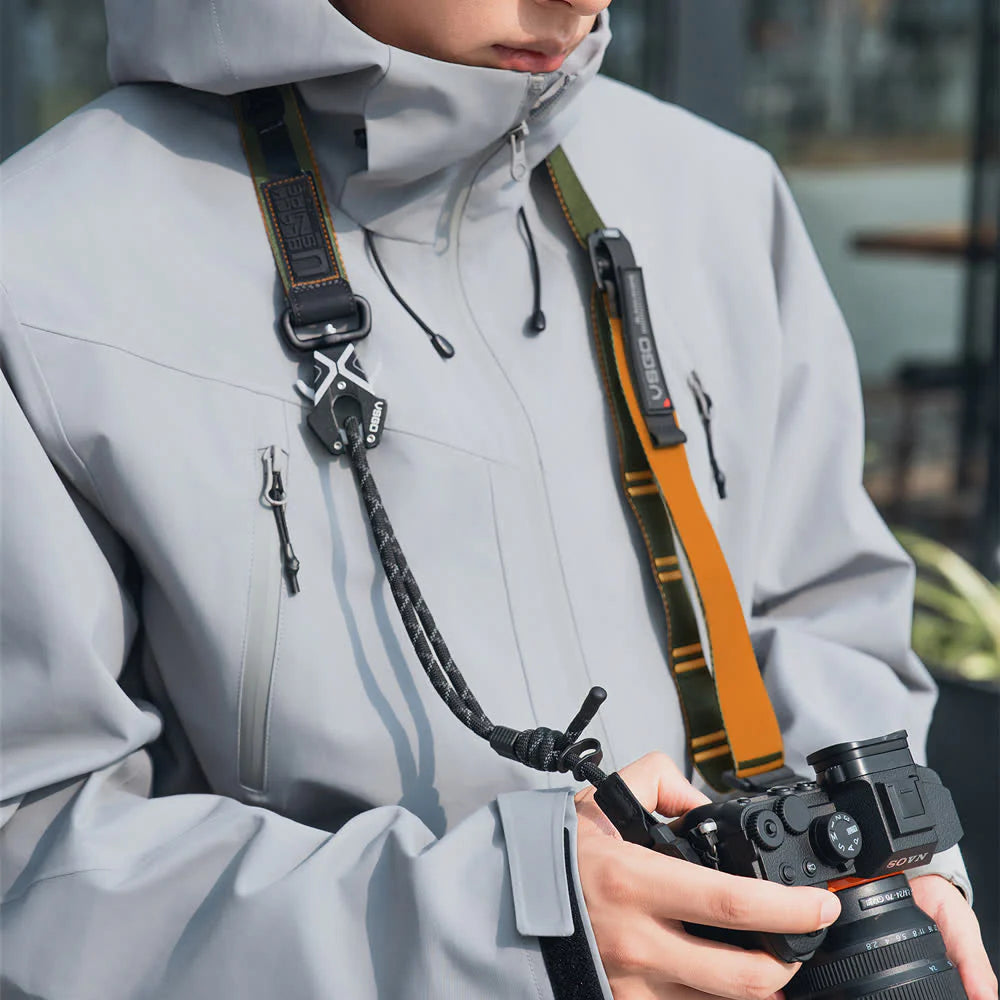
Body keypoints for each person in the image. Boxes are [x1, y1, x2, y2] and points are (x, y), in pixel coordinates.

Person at [0, 1, 995, 998]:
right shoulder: (39, 269)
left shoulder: (722, 197)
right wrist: (500, 928)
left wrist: (886, 859)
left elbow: (820, 612)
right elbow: (29, 848)